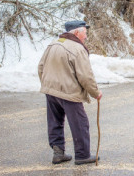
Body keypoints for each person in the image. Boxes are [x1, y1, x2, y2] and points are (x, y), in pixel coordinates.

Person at [38, 20, 102, 165]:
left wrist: (47, 84)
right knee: (80, 123)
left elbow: (40, 67)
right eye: (85, 33)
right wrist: (95, 92)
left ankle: (58, 153)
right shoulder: (77, 49)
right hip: (69, 92)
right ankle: (83, 155)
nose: (86, 37)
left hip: (51, 90)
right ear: (77, 32)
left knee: (55, 122)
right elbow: (85, 76)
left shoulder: (53, 44)